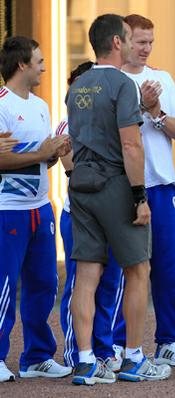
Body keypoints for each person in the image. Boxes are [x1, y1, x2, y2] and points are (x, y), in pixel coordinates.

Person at [67, 14, 171, 385]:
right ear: (115, 42)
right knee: (138, 269)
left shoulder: (77, 85)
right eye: (128, 38)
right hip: (114, 185)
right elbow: (130, 143)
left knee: (87, 274)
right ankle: (134, 358)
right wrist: (139, 196)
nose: (132, 44)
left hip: (81, 185)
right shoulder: (123, 84)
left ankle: (84, 361)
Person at [118, 13, 175, 367]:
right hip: (123, 188)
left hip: (162, 189)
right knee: (124, 269)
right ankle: (119, 342)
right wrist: (138, 106)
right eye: (140, 41)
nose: (147, 48)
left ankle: (170, 340)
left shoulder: (162, 79)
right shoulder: (112, 80)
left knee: (167, 266)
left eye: (151, 41)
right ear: (122, 40)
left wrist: (156, 111)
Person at [0, 35, 72, 382]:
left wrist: (55, 153)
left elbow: (41, 160)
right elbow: (0, 158)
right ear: (21, 65)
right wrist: (42, 152)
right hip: (7, 210)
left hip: (41, 209)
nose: (44, 65)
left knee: (44, 284)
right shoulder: (0, 104)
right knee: (4, 286)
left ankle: (36, 357)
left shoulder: (42, 106)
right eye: (38, 60)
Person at [57, 61, 126, 372]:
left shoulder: (105, 126)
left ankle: (103, 349)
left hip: (108, 212)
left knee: (110, 284)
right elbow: (75, 171)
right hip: (80, 216)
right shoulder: (65, 125)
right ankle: (76, 351)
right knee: (81, 283)